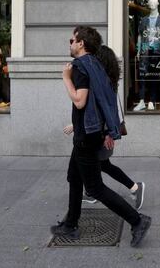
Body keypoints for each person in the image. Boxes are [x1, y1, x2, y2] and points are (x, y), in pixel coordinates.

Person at [51, 26, 151, 247]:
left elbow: (80, 100)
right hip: (89, 132)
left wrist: (66, 77)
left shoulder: (79, 67)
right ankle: (71, 224)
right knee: (74, 178)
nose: (69, 44)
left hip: (86, 135)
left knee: (95, 188)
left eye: (71, 40)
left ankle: (137, 221)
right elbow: (104, 100)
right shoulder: (96, 65)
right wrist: (107, 130)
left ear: (81, 43)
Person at [63, 45, 145, 209]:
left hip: (100, 133)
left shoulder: (103, 82)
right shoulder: (103, 79)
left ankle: (134, 191)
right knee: (97, 165)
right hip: (96, 131)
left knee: (98, 165)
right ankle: (96, 192)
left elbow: (110, 110)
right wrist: (76, 124)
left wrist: (109, 133)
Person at [134, 0, 160, 111]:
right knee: (142, 76)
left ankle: (152, 101)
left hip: (157, 51)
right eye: (150, 2)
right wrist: (138, 50)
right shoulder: (144, 20)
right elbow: (139, 35)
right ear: (148, 4)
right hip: (145, 50)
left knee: (154, 76)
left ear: (158, 3)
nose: (152, 3)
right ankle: (141, 101)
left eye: (154, 1)